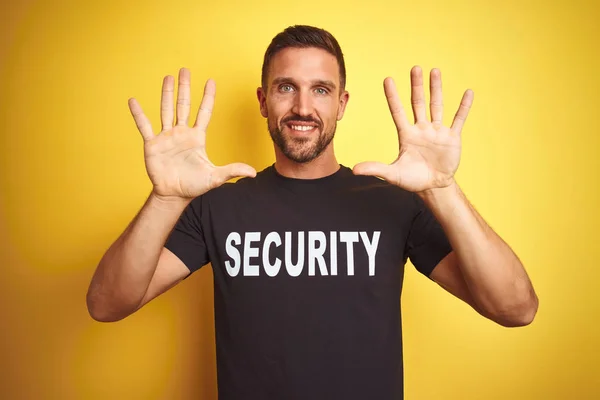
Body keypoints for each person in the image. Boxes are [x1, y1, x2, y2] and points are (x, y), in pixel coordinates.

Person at [86, 25, 538, 400]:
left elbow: (515, 308)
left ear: (341, 103)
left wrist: (443, 189)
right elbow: (107, 305)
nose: (303, 107)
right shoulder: (215, 205)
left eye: (321, 90)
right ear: (263, 101)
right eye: (287, 88)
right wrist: (165, 198)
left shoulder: (394, 203)